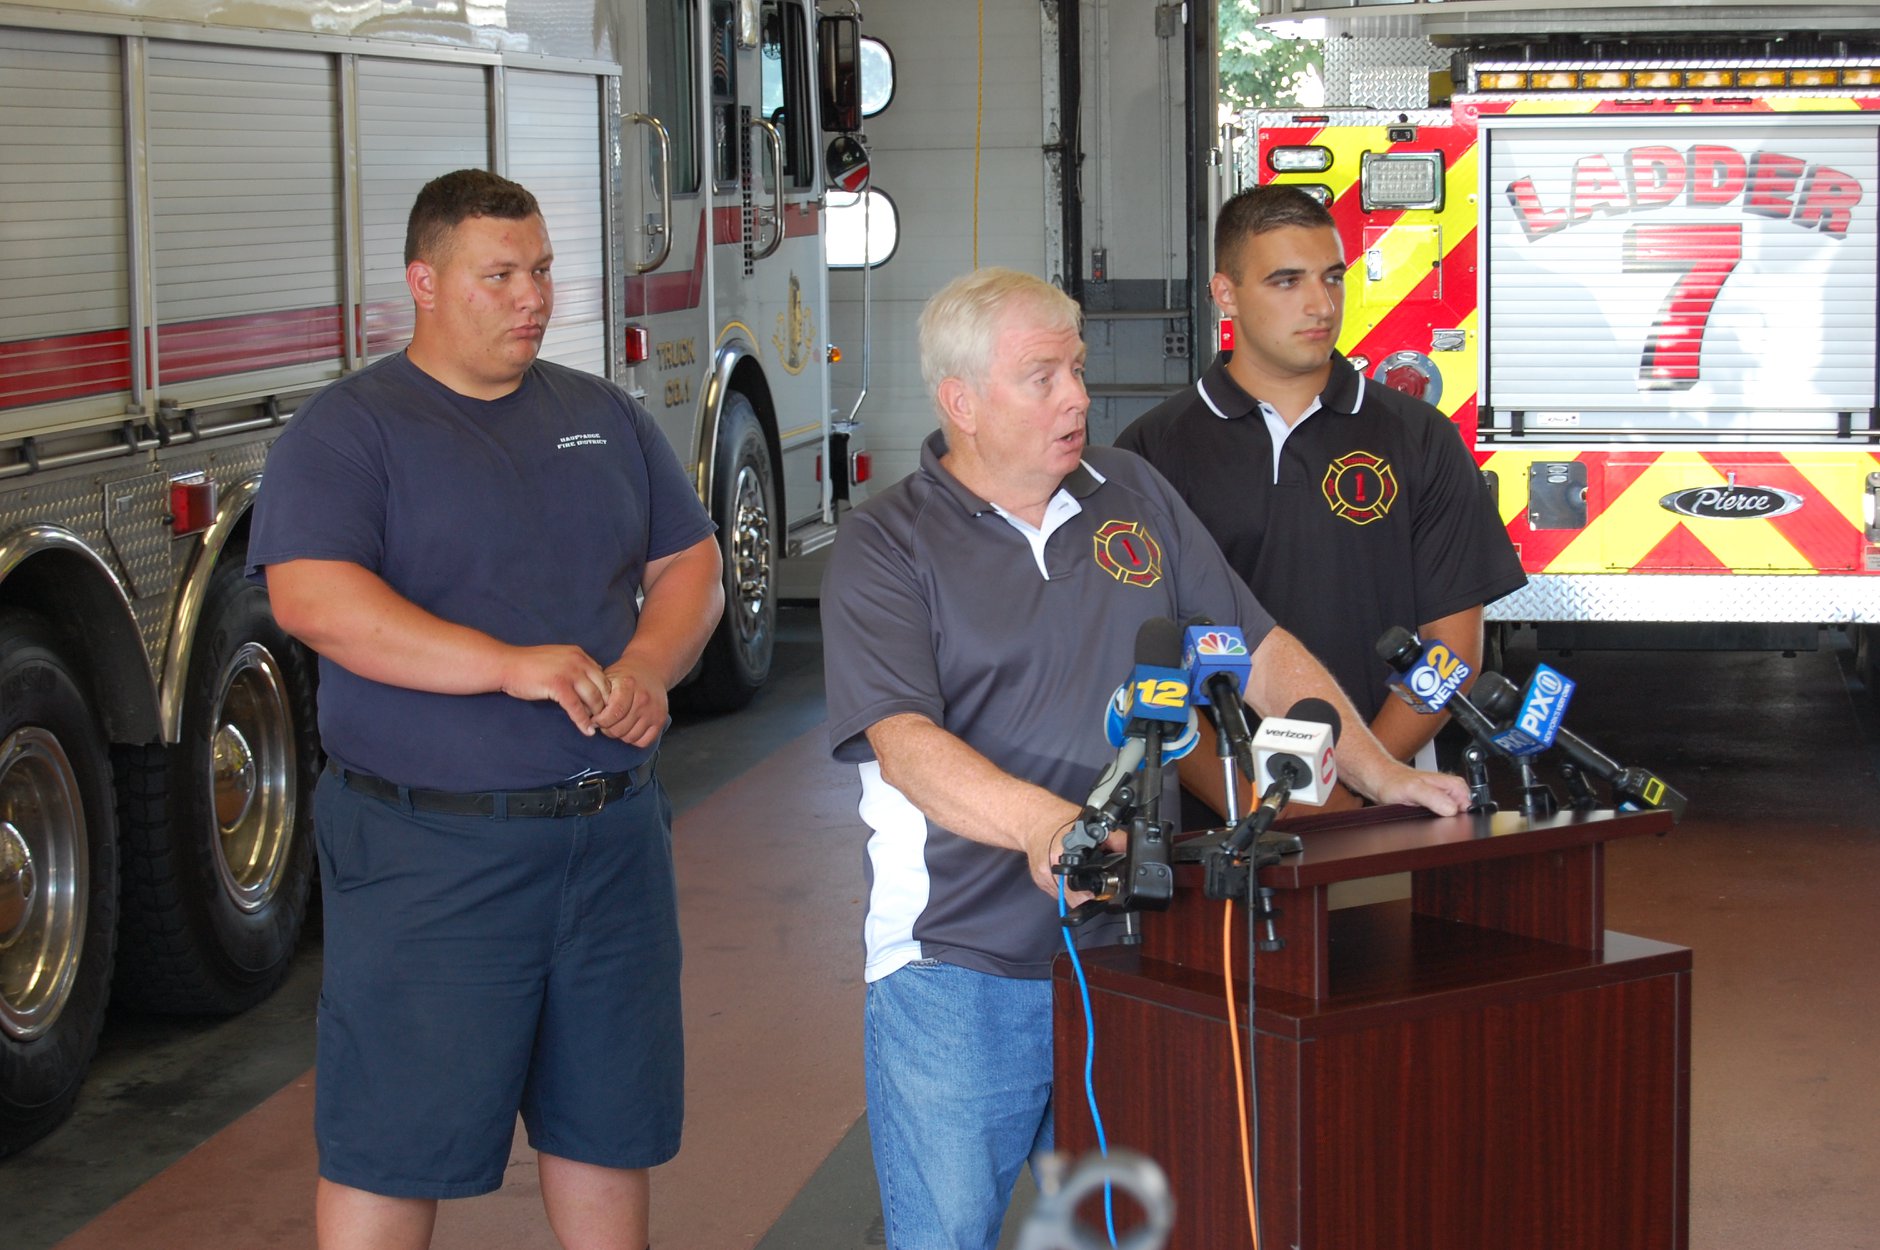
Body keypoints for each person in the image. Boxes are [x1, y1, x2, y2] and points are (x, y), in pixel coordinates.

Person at [820, 266, 1471, 1250]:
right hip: (958, 967)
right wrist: (1049, 825)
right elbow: (905, 744)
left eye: (1075, 369)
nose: (1077, 395)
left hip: (1134, 948)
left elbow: (1259, 646)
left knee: (1122, 1229)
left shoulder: (1131, 491)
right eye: (1041, 376)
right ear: (961, 402)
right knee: (947, 1232)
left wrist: (1381, 769)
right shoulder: (885, 544)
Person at [246, 169, 723, 1250]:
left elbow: (690, 560)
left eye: (543, 271)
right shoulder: (350, 431)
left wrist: (647, 666)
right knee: (390, 1137)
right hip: (432, 848)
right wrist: (504, 666)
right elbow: (313, 597)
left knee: (606, 1127)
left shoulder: (597, 413)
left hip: (609, 843)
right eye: (499, 274)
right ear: (422, 282)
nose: (533, 297)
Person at [1115, 185, 1525, 817]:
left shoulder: (1419, 438)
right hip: (1211, 820)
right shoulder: (1151, 450)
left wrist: (1359, 781)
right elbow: (1138, 665)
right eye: (1286, 281)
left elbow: (1450, 652)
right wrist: (1249, 802)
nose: (1320, 303)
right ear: (1224, 294)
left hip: (1383, 813)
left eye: (1332, 278)